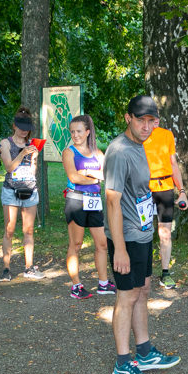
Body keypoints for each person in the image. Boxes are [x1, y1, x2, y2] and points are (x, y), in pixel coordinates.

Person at [105, 95, 181, 374]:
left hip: (141, 233)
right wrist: (120, 249)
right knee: (127, 295)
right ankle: (122, 363)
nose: (147, 126)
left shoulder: (140, 146)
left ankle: (145, 352)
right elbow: (112, 202)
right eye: (141, 119)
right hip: (126, 237)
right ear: (128, 118)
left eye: (152, 121)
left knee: (143, 289)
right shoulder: (119, 151)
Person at [62, 114, 115, 298]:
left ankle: (103, 283)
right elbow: (74, 177)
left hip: (94, 201)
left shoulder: (97, 153)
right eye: (72, 132)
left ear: (87, 132)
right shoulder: (69, 152)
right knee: (76, 244)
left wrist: (86, 171)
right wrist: (93, 175)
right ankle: (76, 286)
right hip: (76, 200)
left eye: (78, 131)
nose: (75, 135)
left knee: (102, 244)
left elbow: (105, 176)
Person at [141, 121, 188, 289]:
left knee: (165, 233)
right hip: (144, 189)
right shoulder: (138, 134)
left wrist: (181, 190)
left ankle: (165, 273)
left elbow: (173, 163)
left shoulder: (167, 135)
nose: (151, 123)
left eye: (154, 119)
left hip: (165, 188)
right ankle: (140, 270)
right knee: (142, 230)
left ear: (158, 120)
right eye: (146, 119)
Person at [0, 107, 44, 281]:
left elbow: (33, 171)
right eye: (21, 126)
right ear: (14, 126)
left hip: (29, 190)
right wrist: (23, 153)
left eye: (27, 127)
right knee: (9, 230)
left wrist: (33, 158)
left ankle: (29, 267)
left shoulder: (32, 143)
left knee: (29, 230)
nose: (24, 130)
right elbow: (9, 168)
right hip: (11, 190)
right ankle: (6, 268)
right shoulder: (6, 143)